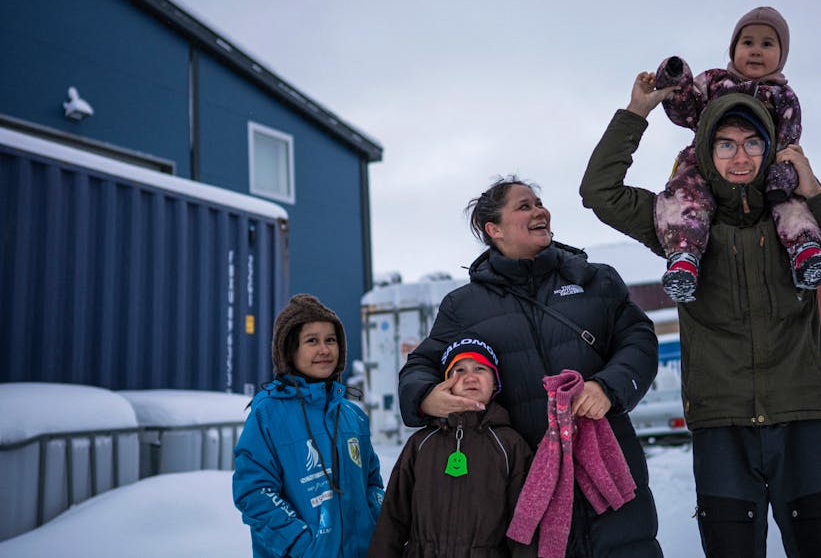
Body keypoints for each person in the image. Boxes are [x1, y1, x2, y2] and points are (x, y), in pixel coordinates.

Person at [579, 76, 821, 558]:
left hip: (803, 421)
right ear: (705, 150)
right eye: (725, 145)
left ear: (770, 148)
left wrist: (815, 190)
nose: (740, 157)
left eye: (752, 143)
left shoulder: (798, 221)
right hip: (722, 429)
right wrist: (636, 113)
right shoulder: (678, 223)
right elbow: (599, 191)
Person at [397, 177, 664, 558]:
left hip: (610, 468)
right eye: (524, 206)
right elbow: (421, 365)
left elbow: (639, 339)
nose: (540, 211)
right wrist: (426, 396)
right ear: (494, 229)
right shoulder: (463, 306)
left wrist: (608, 387)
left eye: (539, 203)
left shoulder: (595, 280)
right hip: (526, 478)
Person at [653, 6, 821, 302]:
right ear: (734, 48)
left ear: (782, 54)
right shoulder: (715, 81)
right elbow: (685, 111)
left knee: (793, 202)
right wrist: (674, 77)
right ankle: (684, 258)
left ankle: (805, 251)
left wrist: (781, 179)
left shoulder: (784, 97)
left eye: (767, 43)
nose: (756, 50)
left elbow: (788, 140)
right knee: (683, 197)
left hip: (766, 168)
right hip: (706, 165)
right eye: (748, 42)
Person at [233, 294, 384, 558]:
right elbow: (254, 491)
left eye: (331, 340)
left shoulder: (353, 415)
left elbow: (372, 484)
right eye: (312, 341)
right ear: (289, 349)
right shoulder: (268, 413)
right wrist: (301, 544)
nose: (324, 350)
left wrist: (375, 528)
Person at [368, 335, 537, 558]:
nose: (470, 377)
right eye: (459, 370)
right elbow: (392, 518)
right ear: (445, 383)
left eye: (480, 369)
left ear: (496, 382)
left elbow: (523, 527)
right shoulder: (421, 443)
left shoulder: (511, 445)